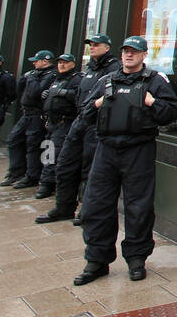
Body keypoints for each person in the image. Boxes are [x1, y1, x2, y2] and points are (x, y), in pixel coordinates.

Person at [73, 36, 177, 285]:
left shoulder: (155, 80)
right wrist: (98, 103)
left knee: (138, 207)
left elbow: (170, 113)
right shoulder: (105, 81)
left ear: (144, 55)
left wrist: (153, 103)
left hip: (138, 149)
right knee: (96, 205)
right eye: (126, 51)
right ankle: (97, 260)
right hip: (106, 149)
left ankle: (136, 259)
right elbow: (85, 114)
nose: (129, 55)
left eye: (134, 52)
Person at [37, 35, 118, 225]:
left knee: (91, 170)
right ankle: (64, 207)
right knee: (65, 165)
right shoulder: (89, 68)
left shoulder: (114, 68)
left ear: (107, 48)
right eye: (91, 45)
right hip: (79, 121)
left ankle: (87, 210)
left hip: (97, 125)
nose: (92, 48)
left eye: (96, 45)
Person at [2, 51, 56, 189]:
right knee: (13, 139)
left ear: (45, 61)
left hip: (37, 115)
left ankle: (32, 176)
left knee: (34, 145)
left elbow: (35, 93)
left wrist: (32, 78)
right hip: (26, 114)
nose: (34, 63)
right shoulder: (34, 74)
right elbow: (19, 90)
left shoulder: (50, 75)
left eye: (37, 61)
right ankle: (17, 171)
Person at [34, 53, 82, 199]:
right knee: (47, 152)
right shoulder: (55, 78)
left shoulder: (77, 79)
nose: (62, 65)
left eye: (65, 62)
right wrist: (46, 95)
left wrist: (65, 93)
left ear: (73, 64)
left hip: (64, 123)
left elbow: (80, 96)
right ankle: (45, 181)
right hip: (51, 123)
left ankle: (48, 184)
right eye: (60, 62)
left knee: (56, 154)